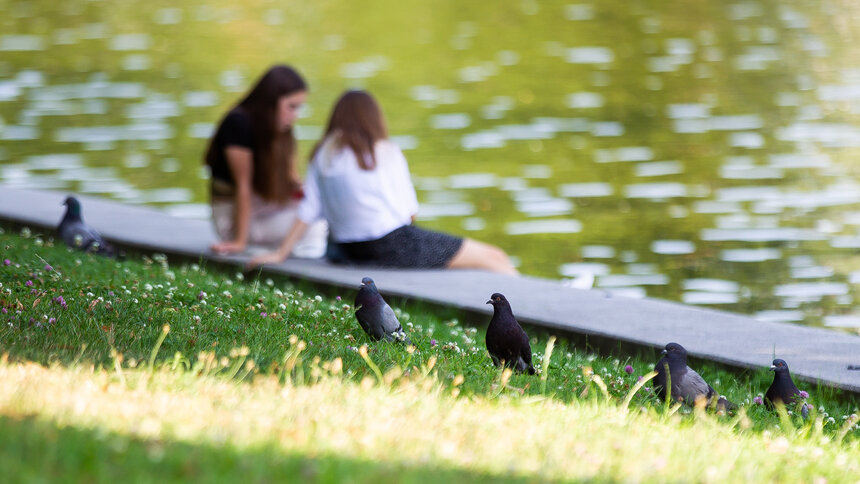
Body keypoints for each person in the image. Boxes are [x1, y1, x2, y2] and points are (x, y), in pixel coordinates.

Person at [248, 90, 518, 275]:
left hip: (349, 250)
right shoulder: (385, 151)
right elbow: (409, 212)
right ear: (372, 117)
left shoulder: (323, 153)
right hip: (393, 244)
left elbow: (309, 209)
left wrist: (281, 253)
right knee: (495, 257)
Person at [205, 64, 326, 257]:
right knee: (316, 225)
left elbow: (292, 180)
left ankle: (290, 248)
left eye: (298, 107)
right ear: (271, 101)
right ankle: (290, 252)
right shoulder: (238, 124)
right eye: (291, 107)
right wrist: (239, 243)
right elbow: (242, 187)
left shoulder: (280, 129)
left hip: (266, 208)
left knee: (320, 211)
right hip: (235, 219)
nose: (296, 115)